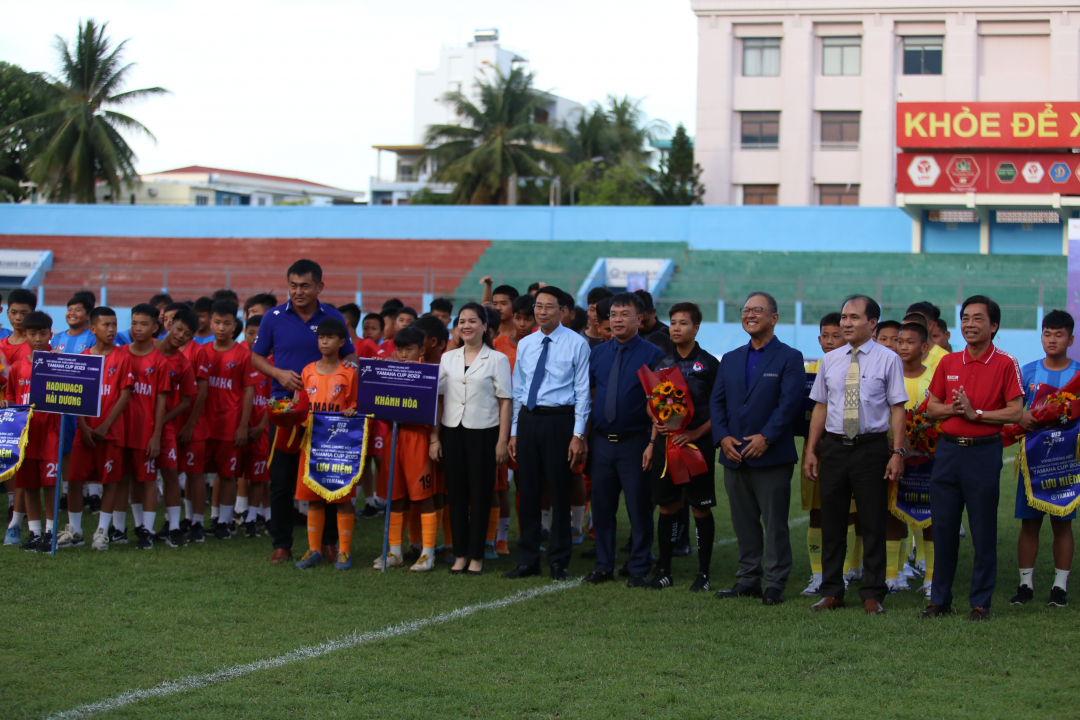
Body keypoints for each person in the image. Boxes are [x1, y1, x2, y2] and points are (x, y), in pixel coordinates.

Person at [919, 295, 1023, 621]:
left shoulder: (1006, 363)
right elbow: (931, 407)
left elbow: (1016, 411)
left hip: (983, 452)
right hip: (948, 451)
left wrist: (976, 414)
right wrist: (954, 410)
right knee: (944, 529)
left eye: (978, 318)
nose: (969, 324)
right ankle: (940, 600)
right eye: (965, 318)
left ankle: (980, 603)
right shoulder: (948, 363)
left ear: (993, 325)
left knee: (982, 531)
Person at [803, 295, 908, 615]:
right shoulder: (831, 360)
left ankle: (873, 593)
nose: (846, 323)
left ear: (872, 323)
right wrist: (811, 449)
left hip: (872, 449)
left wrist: (898, 452)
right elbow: (820, 406)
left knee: (873, 522)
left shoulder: (888, 359)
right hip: (834, 449)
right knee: (833, 522)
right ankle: (832, 590)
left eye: (853, 317)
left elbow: (897, 408)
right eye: (844, 317)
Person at [251, 259, 358, 563]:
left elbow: (350, 354)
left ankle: (327, 543)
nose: (298, 292)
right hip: (286, 411)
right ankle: (282, 543)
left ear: (319, 287)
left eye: (305, 285)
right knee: (282, 480)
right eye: (293, 285)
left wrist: (351, 368)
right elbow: (256, 358)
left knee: (327, 478)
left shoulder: (333, 316)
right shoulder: (272, 317)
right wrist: (278, 373)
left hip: (326, 415)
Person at [711, 293, 805, 604]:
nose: (750, 315)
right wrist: (723, 438)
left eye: (758, 310)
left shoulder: (789, 357)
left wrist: (766, 437)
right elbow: (717, 402)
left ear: (774, 318)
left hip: (771, 455)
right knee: (742, 521)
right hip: (734, 454)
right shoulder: (731, 358)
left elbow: (790, 404)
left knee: (774, 522)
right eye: (746, 310)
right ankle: (747, 579)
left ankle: (775, 582)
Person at [505, 286, 590, 581]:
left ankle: (558, 561)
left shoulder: (577, 344)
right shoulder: (527, 344)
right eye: (538, 306)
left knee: (559, 490)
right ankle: (527, 559)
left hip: (560, 421)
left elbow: (582, 392)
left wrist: (578, 434)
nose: (542, 312)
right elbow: (518, 389)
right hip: (529, 421)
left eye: (549, 307)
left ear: (563, 311)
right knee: (527, 491)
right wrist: (514, 431)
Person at [586, 291, 665, 587]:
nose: (617, 320)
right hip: (602, 442)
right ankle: (604, 564)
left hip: (636, 442)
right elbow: (590, 395)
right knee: (602, 507)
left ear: (639, 318)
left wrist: (652, 443)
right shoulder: (599, 353)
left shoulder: (653, 355)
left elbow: (661, 404)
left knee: (639, 507)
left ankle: (639, 566)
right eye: (613, 315)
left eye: (624, 314)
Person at [431, 303, 512, 574]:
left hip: (484, 433)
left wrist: (502, 440)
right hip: (452, 431)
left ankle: (477, 555)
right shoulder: (447, 358)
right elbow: (439, 400)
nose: (467, 325)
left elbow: (505, 402)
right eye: (462, 321)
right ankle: (460, 554)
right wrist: (435, 437)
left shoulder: (497, 359)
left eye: (473, 321)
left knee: (480, 494)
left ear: (485, 326)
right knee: (455, 494)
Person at [644, 302, 720, 591]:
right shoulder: (661, 364)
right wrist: (658, 422)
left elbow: (719, 408)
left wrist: (696, 432)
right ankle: (664, 569)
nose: (676, 328)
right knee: (667, 506)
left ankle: (703, 573)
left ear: (696, 328)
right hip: (667, 447)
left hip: (698, 446)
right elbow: (651, 406)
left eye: (683, 323)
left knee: (700, 509)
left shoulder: (710, 364)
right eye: (673, 322)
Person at [1011, 310, 1079, 608]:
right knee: (1029, 523)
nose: (1052, 340)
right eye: (1047, 334)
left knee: (1063, 525)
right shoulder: (1027, 372)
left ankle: (1059, 588)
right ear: (1041, 337)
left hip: (1066, 463)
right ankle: (1025, 585)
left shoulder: (1078, 373)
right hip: (1033, 463)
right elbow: (1015, 413)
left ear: (1070, 339)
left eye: (1059, 334)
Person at [59, 307, 135, 551]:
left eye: (114, 325)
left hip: (110, 431)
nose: (111, 330)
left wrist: (105, 425)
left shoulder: (123, 357)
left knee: (110, 480)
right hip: (84, 430)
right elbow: (76, 395)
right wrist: (82, 424)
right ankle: (75, 530)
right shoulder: (83, 356)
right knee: (74, 479)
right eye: (106, 325)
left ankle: (102, 530)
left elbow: (125, 395)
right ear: (93, 328)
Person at [292, 318, 360, 570]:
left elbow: (355, 405)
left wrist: (353, 411)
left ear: (341, 342)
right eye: (321, 337)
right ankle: (314, 549)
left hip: (340, 446)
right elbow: (300, 407)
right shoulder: (308, 371)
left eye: (330, 337)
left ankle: (344, 551)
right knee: (314, 497)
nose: (324, 341)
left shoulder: (349, 372)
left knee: (342, 498)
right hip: (313, 444)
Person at [374, 327, 441, 572]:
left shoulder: (429, 374)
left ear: (421, 350)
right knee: (395, 497)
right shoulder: (389, 371)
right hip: (394, 435)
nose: (403, 355)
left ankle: (427, 553)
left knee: (422, 497)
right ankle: (394, 551)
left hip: (418, 437)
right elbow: (377, 403)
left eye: (409, 349)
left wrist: (435, 438)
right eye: (399, 350)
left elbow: (437, 409)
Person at [800, 312, 852, 596]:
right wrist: (811, 443)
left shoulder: (855, 365)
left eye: (837, 335)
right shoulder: (809, 369)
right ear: (818, 338)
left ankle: (845, 572)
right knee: (817, 513)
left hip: (846, 449)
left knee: (850, 515)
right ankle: (818, 575)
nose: (830, 341)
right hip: (814, 451)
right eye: (825, 336)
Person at [3, 311, 61, 551]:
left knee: (49, 484)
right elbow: (10, 396)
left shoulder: (59, 361)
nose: (38, 338)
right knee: (28, 485)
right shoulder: (18, 366)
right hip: (25, 436)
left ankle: (50, 532)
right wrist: (6, 402)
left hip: (51, 433)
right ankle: (34, 532)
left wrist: (60, 364)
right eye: (33, 333)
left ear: (50, 333)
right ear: (25, 334)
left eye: (43, 333)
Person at [118, 303, 171, 550]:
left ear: (155, 327)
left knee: (147, 479)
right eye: (134, 323)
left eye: (143, 324)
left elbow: (162, 400)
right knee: (124, 479)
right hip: (120, 428)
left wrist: (156, 434)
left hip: (145, 430)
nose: (137, 328)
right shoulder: (120, 354)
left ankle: (147, 531)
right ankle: (125, 527)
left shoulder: (159, 360)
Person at [895, 321, 937, 597]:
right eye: (900, 342)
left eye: (910, 342)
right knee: (893, 514)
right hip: (895, 457)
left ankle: (932, 579)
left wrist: (927, 439)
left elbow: (940, 415)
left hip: (928, 459)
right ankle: (892, 574)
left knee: (932, 517)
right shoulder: (889, 373)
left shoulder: (935, 376)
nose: (903, 347)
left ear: (924, 347)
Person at [150, 308, 198, 547]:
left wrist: (162, 420)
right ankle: (141, 528)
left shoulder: (183, 364)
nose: (180, 335)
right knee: (139, 477)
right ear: (169, 325)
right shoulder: (146, 347)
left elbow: (187, 401)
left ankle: (174, 528)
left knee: (170, 474)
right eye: (178, 329)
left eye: (187, 334)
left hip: (164, 427)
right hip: (136, 424)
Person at [0, 288, 40, 367]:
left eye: (23, 313)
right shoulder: (1, 345)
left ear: (32, 314)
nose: (18, 317)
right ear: (8, 313)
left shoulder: (39, 344)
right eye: (14, 312)